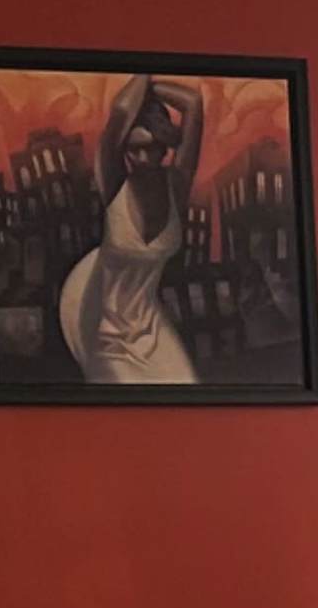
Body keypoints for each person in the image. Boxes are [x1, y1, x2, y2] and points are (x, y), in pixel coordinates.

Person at [56, 74, 207, 383]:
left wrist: (148, 91)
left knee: (187, 387)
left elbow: (192, 105)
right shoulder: (114, 184)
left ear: (164, 146)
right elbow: (121, 112)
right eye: (134, 148)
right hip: (99, 320)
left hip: (149, 323)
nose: (142, 158)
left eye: (152, 148)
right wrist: (143, 78)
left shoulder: (176, 185)